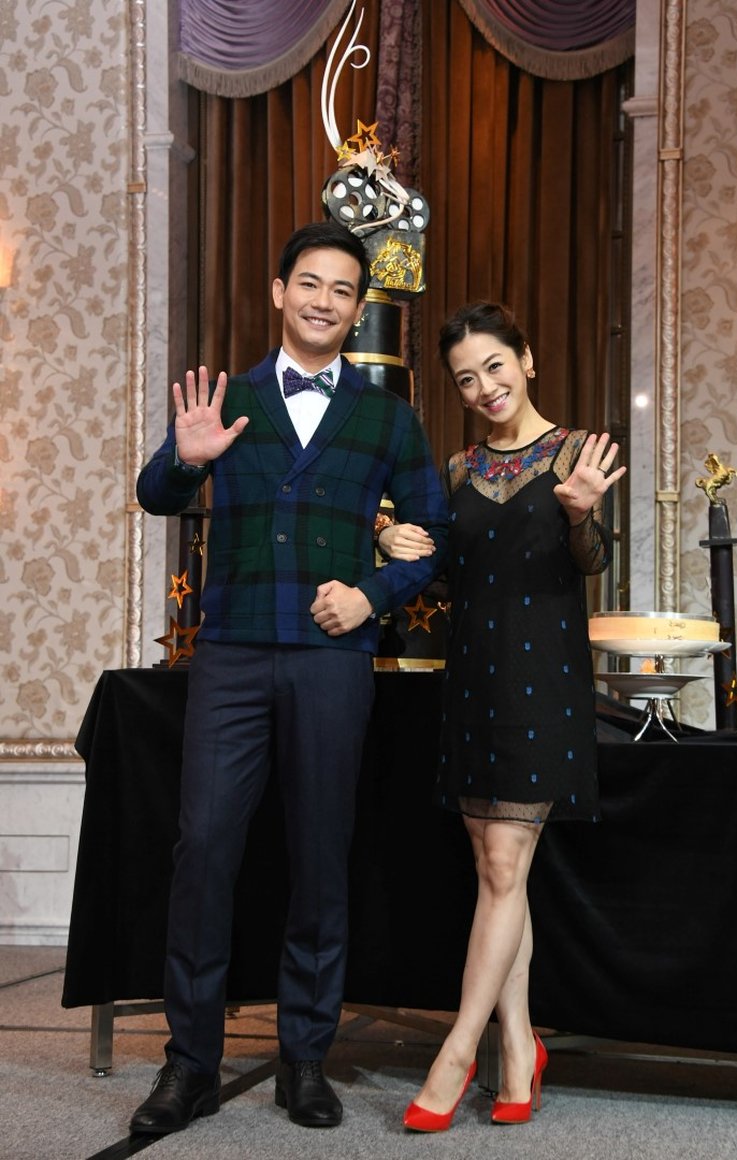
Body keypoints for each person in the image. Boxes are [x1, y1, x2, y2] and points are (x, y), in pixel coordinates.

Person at [130, 221, 448, 1135]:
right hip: (231, 654)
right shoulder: (225, 398)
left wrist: (373, 595)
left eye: (342, 289)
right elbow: (155, 495)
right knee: (203, 850)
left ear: (359, 308)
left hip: (332, 664)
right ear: (279, 293)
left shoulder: (389, 417)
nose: (323, 301)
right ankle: (190, 1064)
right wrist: (184, 459)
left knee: (320, 853)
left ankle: (306, 1059)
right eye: (309, 283)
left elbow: (432, 537)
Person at [378, 301, 625, 1132]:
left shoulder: (576, 453)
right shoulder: (458, 469)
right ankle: (520, 1048)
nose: (484, 387)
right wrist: (400, 545)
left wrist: (581, 512)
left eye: (494, 365)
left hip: (543, 682)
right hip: (474, 682)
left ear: (526, 359)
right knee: (496, 871)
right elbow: (453, 572)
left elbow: (591, 561)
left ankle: (456, 1053)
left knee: (503, 865)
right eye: (465, 379)